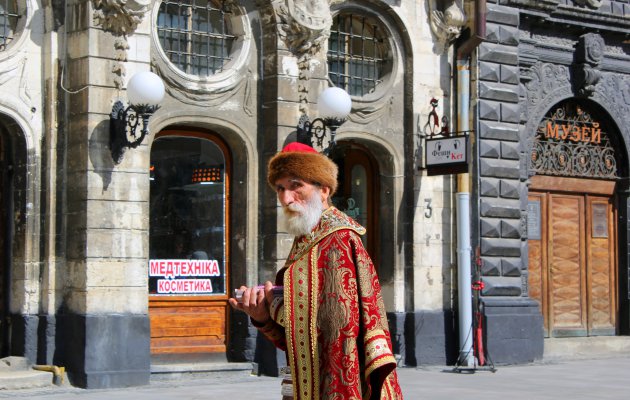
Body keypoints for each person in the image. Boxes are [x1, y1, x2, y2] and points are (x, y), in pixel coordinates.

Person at [229, 142, 403, 399]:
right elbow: (301, 340)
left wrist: (275, 307)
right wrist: (262, 315)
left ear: (323, 190)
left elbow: (339, 340)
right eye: (280, 188)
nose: (286, 199)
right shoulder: (308, 239)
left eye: (296, 185)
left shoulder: (338, 240)